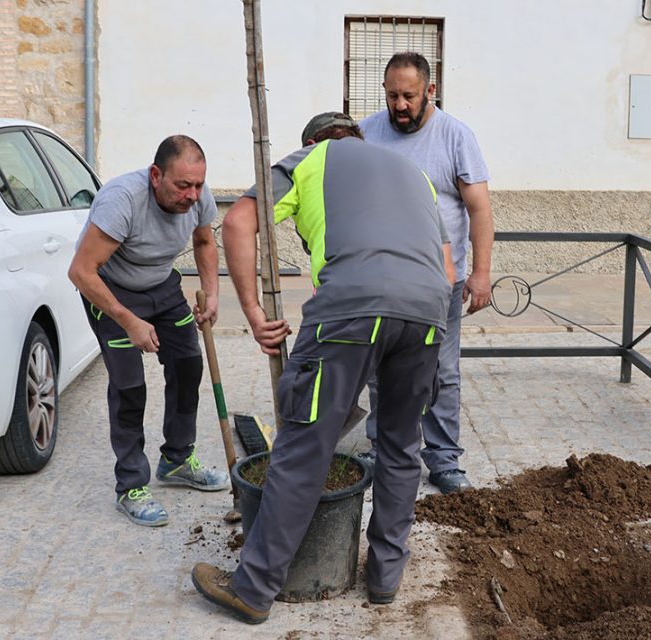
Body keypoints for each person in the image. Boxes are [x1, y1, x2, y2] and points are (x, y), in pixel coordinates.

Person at [189, 113, 454, 624]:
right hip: (426, 317)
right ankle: (384, 579)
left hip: (350, 309)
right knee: (401, 446)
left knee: (306, 443)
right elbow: (445, 269)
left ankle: (254, 588)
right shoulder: (412, 174)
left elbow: (240, 221)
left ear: (312, 142)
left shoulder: (314, 157)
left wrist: (253, 312)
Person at [68, 135, 230, 527]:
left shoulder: (196, 197)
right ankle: (130, 486)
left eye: (198, 185)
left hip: (162, 286)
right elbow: (80, 272)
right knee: (129, 387)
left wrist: (211, 291)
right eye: (182, 186)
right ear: (156, 175)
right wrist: (129, 320)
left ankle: (176, 460)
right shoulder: (122, 200)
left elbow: (205, 240)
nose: (192, 195)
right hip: (111, 290)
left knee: (189, 365)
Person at [358, 51, 494, 494]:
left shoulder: (455, 137)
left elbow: (479, 210)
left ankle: (443, 459)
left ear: (430, 92)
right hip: (383, 280)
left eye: (409, 96)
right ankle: (385, 449)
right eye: (393, 95)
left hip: (441, 282)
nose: (400, 104)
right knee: (382, 368)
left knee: (442, 370)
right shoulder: (366, 134)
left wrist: (480, 273)